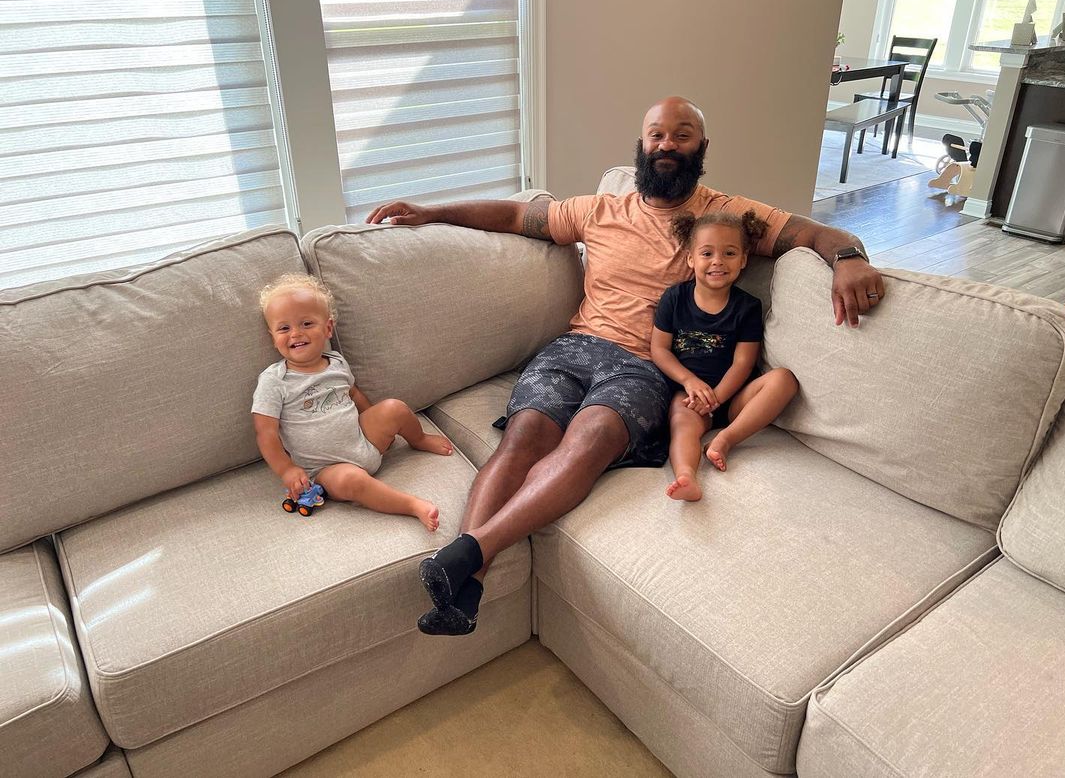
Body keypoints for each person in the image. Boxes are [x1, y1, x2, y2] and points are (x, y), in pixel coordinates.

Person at [365, 96, 885, 636]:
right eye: (656, 134)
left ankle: (467, 555)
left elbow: (814, 233)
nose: (666, 145)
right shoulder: (599, 210)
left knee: (588, 439)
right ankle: (467, 588)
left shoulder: (725, 220)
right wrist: (433, 212)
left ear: (702, 147)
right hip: (574, 348)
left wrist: (848, 257)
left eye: (681, 135)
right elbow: (517, 216)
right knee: (523, 438)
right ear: (641, 145)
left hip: (645, 366)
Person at [251, 274, 452, 531]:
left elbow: (354, 395)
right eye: (284, 328)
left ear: (328, 328)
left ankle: (419, 439)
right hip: (326, 469)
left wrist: (377, 425)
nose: (296, 333)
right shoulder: (274, 381)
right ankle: (412, 505)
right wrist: (287, 470)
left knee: (394, 407)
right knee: (352, 481)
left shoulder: (336, 362)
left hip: (363, 440)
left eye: (306, 323)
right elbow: (265, 433)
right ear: (273, 337)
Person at [652, 211, 799, 502]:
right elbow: (659, 349)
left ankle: (726, 439)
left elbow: (744, 362)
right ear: (691, 258)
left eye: (729, 253)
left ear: (743, 259)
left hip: (733, 397)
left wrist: (718, 397)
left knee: (784, 380)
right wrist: (689, 381)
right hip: (690, 396)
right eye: (707, 253)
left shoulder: (747, 307)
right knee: (681, 423)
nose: (718, 261)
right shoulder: (674, 298)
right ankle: (686, 476)